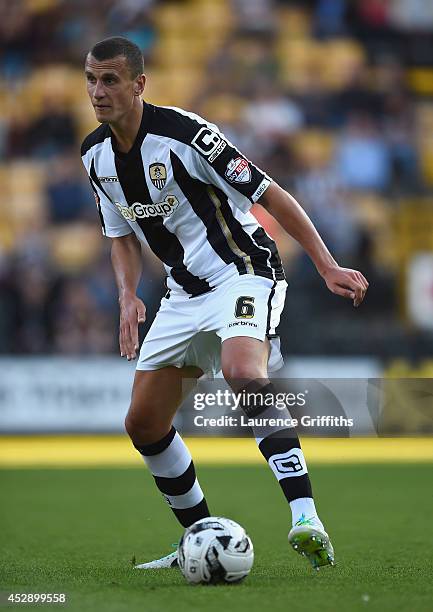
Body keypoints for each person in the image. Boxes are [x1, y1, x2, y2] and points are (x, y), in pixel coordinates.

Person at [81, 37, 368, 571]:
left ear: (139, 84)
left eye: (111, 80)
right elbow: (119, 234)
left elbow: (270, 193)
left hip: (242, 271)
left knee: (243, 373)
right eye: (92, 80)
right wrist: (126, 295)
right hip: (182, 293)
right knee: (143, 424)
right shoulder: (94, 156)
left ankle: (305, 516)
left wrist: (326, 264)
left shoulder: (187, 135)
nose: (99, 91)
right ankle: (199, 536)